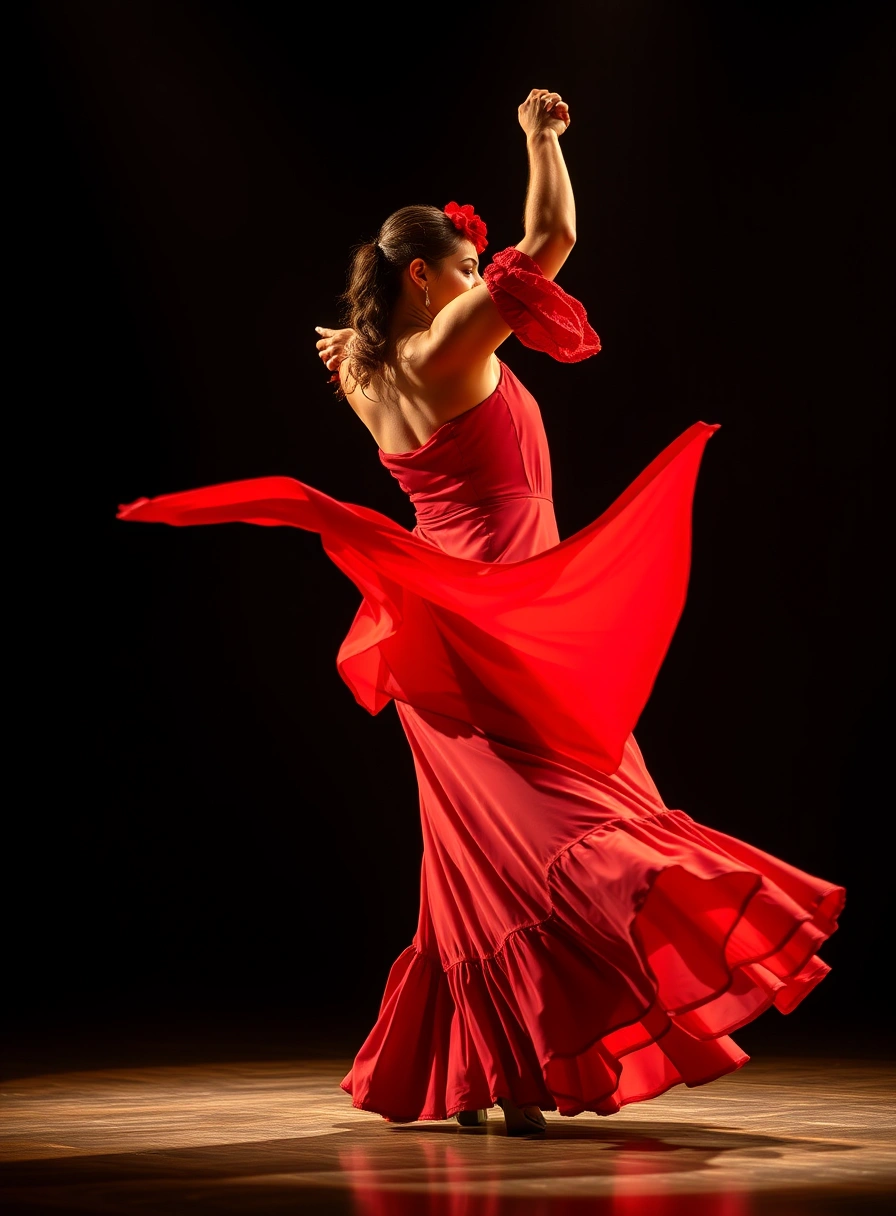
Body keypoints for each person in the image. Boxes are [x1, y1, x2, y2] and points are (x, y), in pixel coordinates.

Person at [119, 88, 845, 1138]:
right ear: (423, 279)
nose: (481, 273)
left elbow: (376, 336)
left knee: (479, 864)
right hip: (501, 617)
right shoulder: (446, 347)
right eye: (464, 266)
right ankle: (536, 1038)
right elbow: (552, 237)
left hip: (438, 627)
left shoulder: (367, 366)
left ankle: (491, 1071)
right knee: (579, 823)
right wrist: (539, 141)